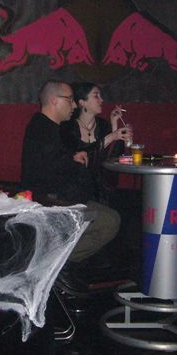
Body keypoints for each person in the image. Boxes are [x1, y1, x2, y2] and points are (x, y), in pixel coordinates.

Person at [20, 80, 124, 293]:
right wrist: (72, 161)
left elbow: (56, 160)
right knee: (109, 221)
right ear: (54, 101)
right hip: (53, 201)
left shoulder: (51, 128)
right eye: (70, 100)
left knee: (111, 215)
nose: (74, 105)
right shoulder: (42, 128)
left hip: (63, 197)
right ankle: (52, 262)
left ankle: (56, 263)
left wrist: (73, 158)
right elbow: (48, 171)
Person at [60, 82, 132, 205]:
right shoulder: (68, 127)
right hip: (76, 190)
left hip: (102, 189)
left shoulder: (103, 125)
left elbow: (115, 157)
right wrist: (112, 136)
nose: (101, 100)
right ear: (82, 102)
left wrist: (114, 125)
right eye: (96, 95)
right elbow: (83, 155)